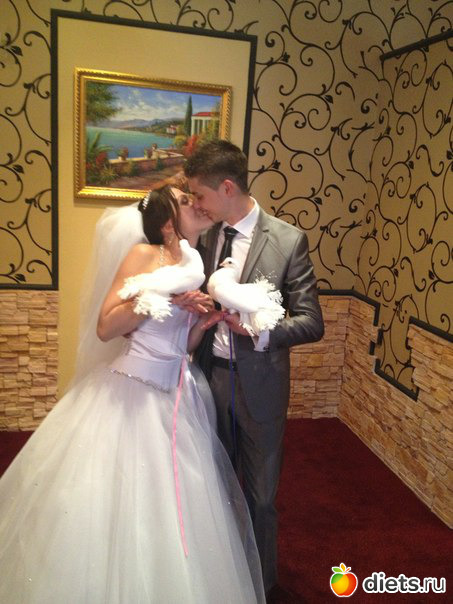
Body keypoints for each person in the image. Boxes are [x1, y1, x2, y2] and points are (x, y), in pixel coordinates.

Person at [0, 181, 265, 604]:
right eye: (185, 201)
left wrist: (201, 323)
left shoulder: (195, 260)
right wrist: (159, 297)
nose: (196, 204)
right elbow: (107, 327)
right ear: (167, 222)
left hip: (173, 397)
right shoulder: (144, 255)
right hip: (130, 393)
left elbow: (182, 344)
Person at [184, 141, 324, 599]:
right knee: (215, 488)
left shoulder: (288, 240)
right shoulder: (205, 236)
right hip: (209, 378)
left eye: (201, 194)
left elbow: (312, 322)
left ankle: (261, 586)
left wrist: (260, 333)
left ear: (227, 188)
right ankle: (221, 580)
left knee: (261, 498)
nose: (197, 205)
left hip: (262, 385)